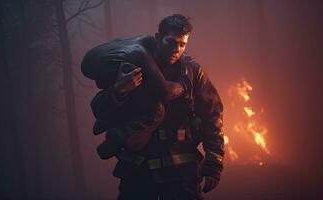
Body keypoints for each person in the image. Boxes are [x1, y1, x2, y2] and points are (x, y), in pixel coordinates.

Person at [89, 14, 224, 200]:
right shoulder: (132, 66)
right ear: (158, 37)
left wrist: (213, 163)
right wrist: (119, 90)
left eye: (182, 44)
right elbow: (99, 109)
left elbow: (212, 115)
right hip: (138, 171)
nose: (176, 49)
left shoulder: (192, 72)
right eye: (170, 41)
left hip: (181, 174)